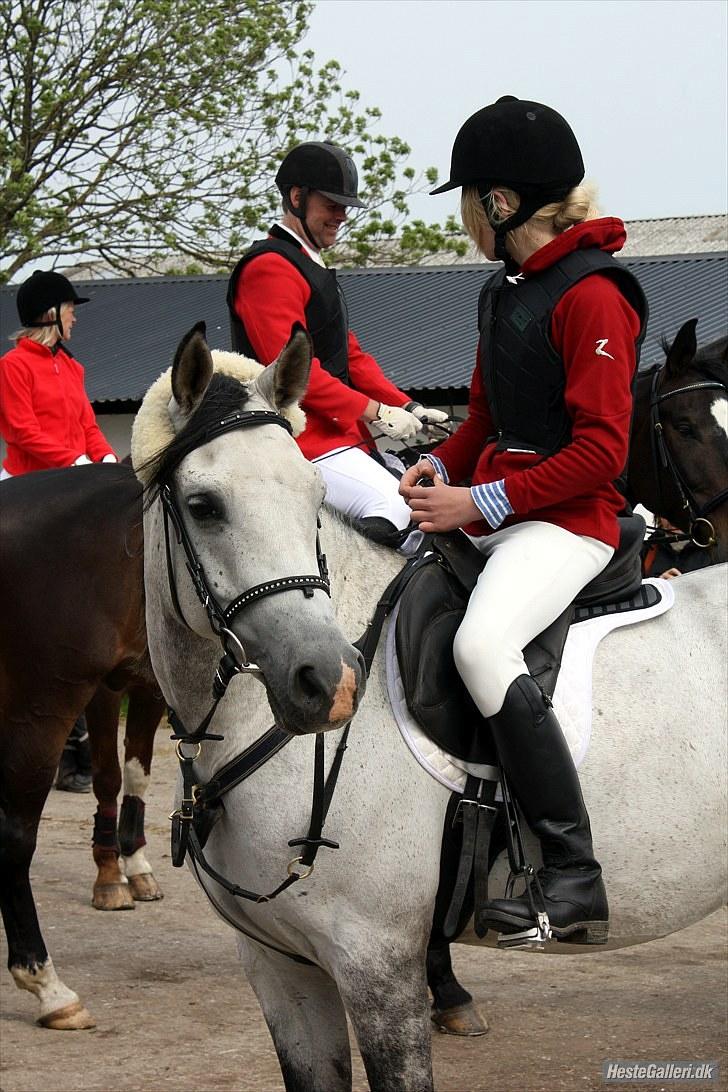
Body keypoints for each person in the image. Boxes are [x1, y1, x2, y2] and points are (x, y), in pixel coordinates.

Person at [399, 96, 648, 943]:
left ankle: (573, 876)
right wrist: (443, 467)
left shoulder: (595, 298)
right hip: (500, 510)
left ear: (500, 203)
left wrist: (479, 501)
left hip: (570, 523)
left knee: (479, 645)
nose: (467, 215)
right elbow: (481, 420)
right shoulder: (504, 293)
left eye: (471, 198)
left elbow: (602, 455)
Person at [226, 140, 448, 552]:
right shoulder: (269, 269)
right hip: (298, 438)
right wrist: (376, 412)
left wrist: (408, 406)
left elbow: (351, 357)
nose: (342, 215)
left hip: (338, 436)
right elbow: (294, 372)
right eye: (332, 204)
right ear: (297, 198)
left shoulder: (309, 265)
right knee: (396, 506)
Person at [1, 269, 118, 791]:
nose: (76, 316)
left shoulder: (73, 367)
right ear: (50, 314)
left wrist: (108, 459)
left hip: (77, 482)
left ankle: (79, 740)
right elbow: (19, 429)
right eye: (70, 308)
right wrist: (73, 463)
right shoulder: (11, 366)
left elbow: (90, 422)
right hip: (28, 486)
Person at [642, 515, 715, 579]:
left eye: (679, 511)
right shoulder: (646, 550)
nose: (674, 520)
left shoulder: (713, 549)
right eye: (666, 512)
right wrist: (658, 585)